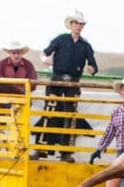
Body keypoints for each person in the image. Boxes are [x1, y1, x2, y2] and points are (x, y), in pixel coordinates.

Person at [32, 10, 98, 162]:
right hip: (56, 81)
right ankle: (41, 149)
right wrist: (45, 59)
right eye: (76, 23)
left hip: (73, 83)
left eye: (81, 24)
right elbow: (45, 52)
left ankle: (66, 152)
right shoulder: (61, 39)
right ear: (71, 24)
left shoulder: (85, 45)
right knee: (50, 113)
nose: (79, 26)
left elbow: (93, 64)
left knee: (70, 116)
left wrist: (91, 69)